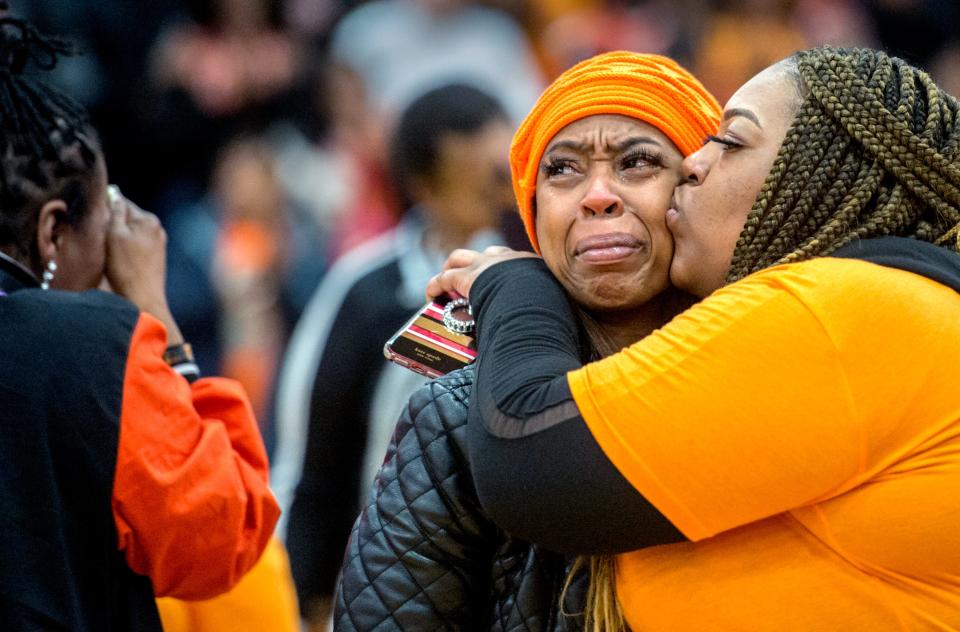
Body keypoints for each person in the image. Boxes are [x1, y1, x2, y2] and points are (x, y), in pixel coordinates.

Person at [428, 46, 960, 630]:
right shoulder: (890, 305)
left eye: (729, 141)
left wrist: (513, 287)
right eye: (562, 169)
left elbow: (531, 458)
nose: (694, 165)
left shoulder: (836, 309)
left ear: (822, 168)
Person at [335, 52, 721, 630]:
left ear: (697, 191)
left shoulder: (758, 370)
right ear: (533, 213)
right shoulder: (453, 416)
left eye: (637, 162)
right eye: (563, 170)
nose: (597, 195)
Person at [0, 13, 279, 630]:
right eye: (105, 224)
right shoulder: (88, 342)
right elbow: (226, 533)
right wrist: (152, 311)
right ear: (52, 231)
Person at [273, 82, 517, 630]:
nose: (501, 193)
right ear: (424, 184)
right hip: (388, 571)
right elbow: (312, 449)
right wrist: (308, 590)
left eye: (506, 172)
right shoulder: (366, 288)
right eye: (481, 181)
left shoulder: (537, 273)